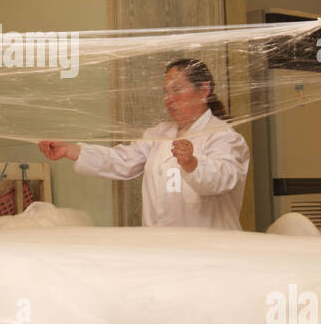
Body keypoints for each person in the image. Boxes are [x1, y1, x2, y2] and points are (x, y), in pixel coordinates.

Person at [39, 58, 249, 228]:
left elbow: (224, 179)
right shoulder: (159, 134)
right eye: (166, 92)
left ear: (204, 90)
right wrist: (70, 150)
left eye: (176, 90)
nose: (168, 99)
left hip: (208, 252)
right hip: (161, 247)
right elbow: (121, 160)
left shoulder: (224, 136)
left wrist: (192, 163)